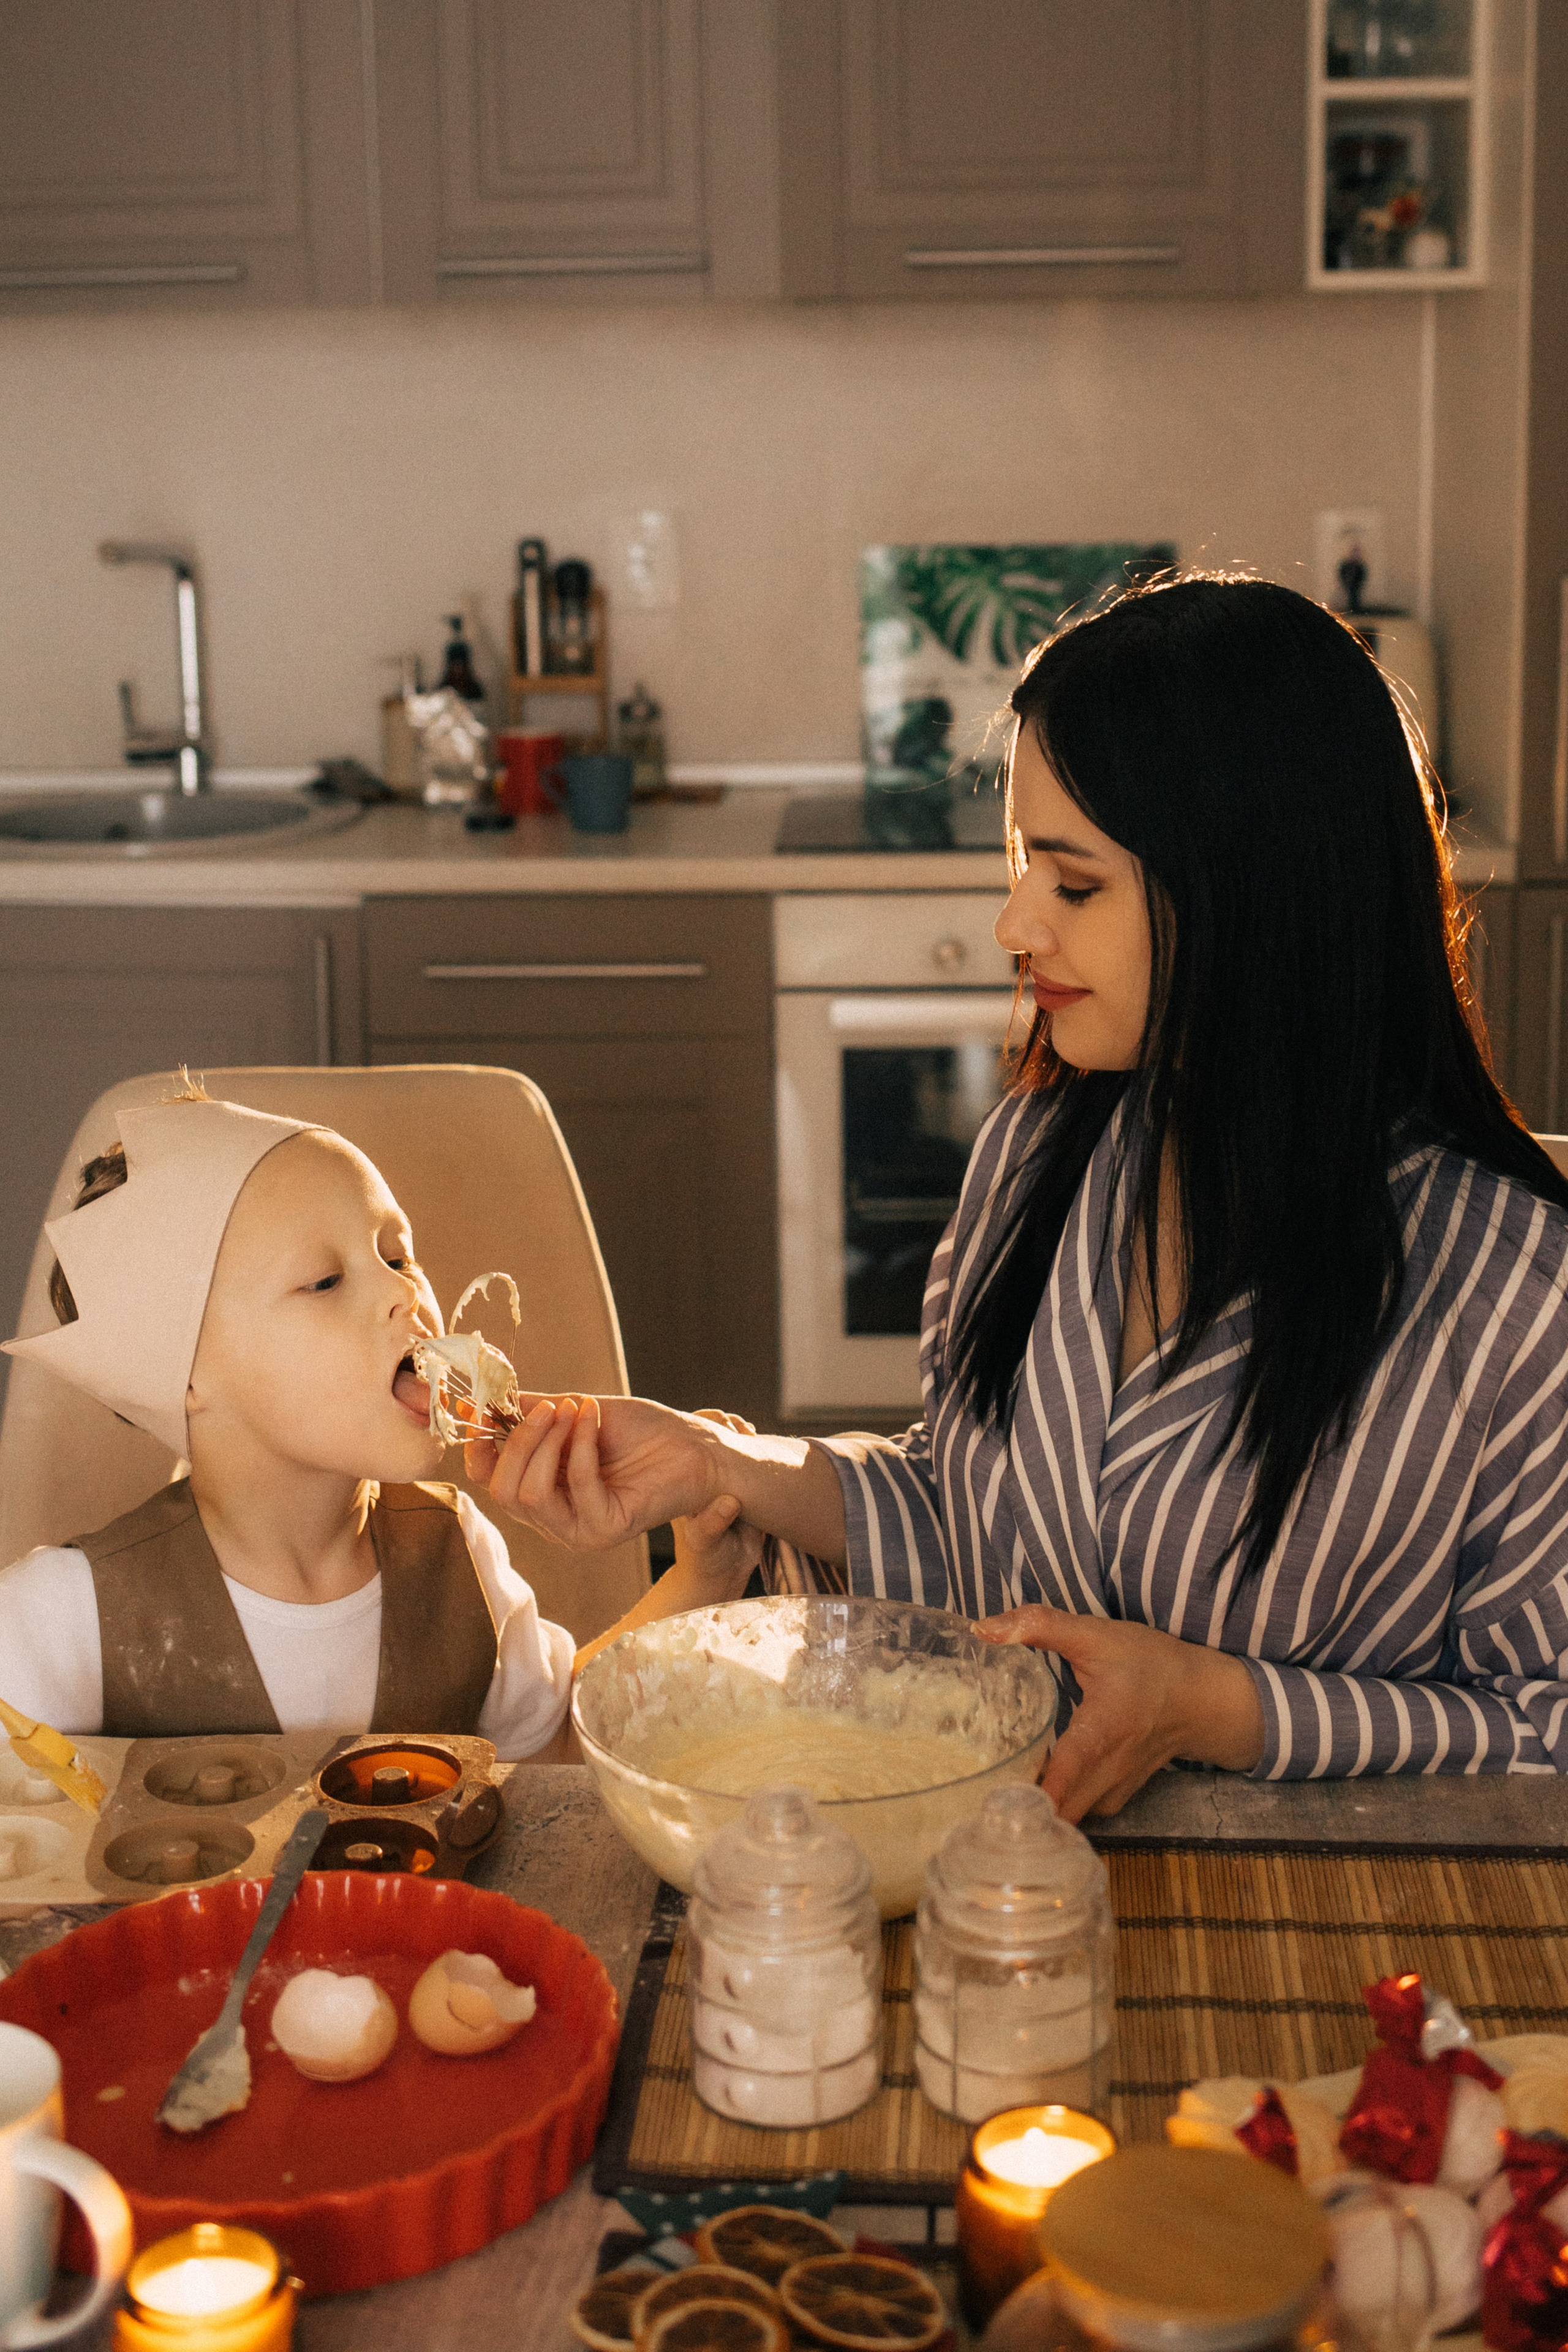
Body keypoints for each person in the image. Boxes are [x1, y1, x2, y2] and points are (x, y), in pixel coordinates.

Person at [461, 575, 1568, 1817]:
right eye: (1016, 868)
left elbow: (1545, 1725)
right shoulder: (1038, 1159)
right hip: (999, 1896)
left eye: (1071, 884)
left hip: (1323, 1954)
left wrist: (1210, 1704)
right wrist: (721, 1462)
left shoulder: (1517, 1298)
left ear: (1255, 891)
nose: (1011, 925)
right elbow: (963, 1516)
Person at [0, 1089, 755, 1750]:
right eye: (325, 1281)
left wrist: (704, 1575)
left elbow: (555, 1745)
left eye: (398, 1255)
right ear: (184, 1372)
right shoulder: (60, 1617)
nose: (404, 1296)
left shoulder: (460, 1555)